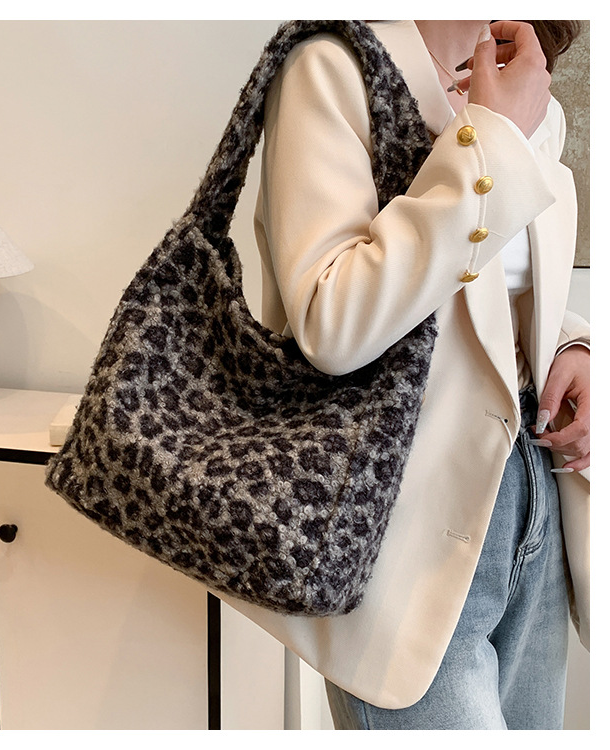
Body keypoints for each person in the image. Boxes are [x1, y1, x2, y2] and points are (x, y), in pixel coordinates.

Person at [222, 20, 590, 730]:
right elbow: (331, 320)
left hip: (531, 496)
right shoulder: (334, 66)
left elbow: (493, 299)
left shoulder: (526, 86)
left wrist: (573, 346)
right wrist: (490, 141)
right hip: (398, 523)